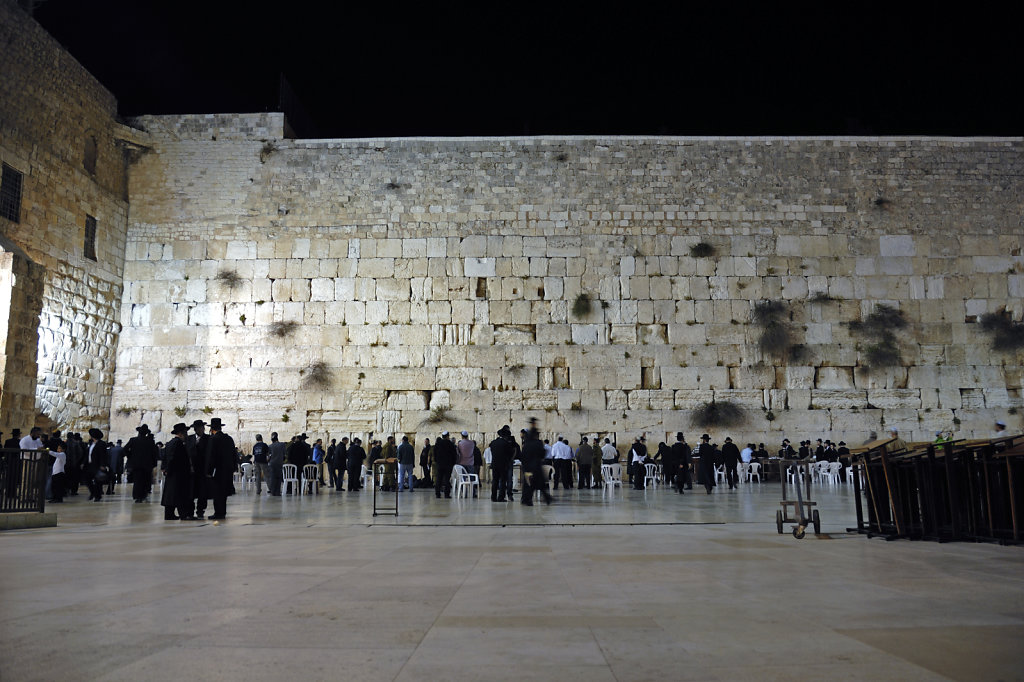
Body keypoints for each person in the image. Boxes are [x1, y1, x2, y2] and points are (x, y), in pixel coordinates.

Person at [160, 423, 193, 520]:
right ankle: (183, 514)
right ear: (181, 433)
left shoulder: (170, 442)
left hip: (172, 473)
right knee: (179, 494)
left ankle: (169, 514)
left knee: (171, 494)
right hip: (177, 473)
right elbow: (172, 458)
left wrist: (165, 468)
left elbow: (165, 457)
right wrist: (169, 469)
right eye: (185, 432)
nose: (187, 434)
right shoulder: (177, 443)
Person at [205, 418, 236, 520]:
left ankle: (218, 513)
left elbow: (211, 456)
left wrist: (208, 470)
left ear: (212, 429)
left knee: (217, 492)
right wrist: (233, 467)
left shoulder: (213, 439)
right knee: (224, 493)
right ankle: (222, 512)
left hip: (217, 470)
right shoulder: (229, 439)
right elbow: (234, 455)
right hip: (227, 470)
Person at [520, 419, 551, 506]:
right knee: (539, 484)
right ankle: (546, 498)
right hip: (536, 467)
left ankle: (527, 499)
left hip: (527, 467)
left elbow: (523, 456)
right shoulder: (538, 443)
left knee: (529, 484)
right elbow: (542, 454)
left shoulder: (525, 444)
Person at [125, 424, 159, 503]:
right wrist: (154, 463)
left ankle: (137, 497)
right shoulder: (150, 441)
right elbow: (154, 453)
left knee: (137, 481)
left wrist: (130, 456)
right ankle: (144, 495)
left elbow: (125, 449)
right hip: (147, 464)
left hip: (136, 464)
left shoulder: (133, 440)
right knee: (146, 480)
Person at [187, 420, 210, 518]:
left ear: (203, 428)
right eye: (196, 428)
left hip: (202, 470)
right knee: (190, 491)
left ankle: (200, 510)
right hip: (191, 470)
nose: (198, 430)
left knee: (202, 492)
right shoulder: (189, 439)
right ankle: (190, 511)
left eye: (200, 428)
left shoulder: (208, 439)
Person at [489, 427, 513, 501]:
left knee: (495, 481)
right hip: (503, 465)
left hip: (495, 465)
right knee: (502, 481)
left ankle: (493, 497)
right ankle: (501, 497)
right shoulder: (506, 443)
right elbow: (510, 454)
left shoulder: (493, 443)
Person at [85, 428, 109, 501]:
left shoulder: (101, 444)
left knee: (98, 481)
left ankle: (97, 496)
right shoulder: (92, 444)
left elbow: (103, 455)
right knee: (87, 480)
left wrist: (102, 465)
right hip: (90, 465)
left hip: (97, 465)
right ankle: (93, 493)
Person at [433, 431, 457, 499]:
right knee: (447, 479)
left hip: (440, 464)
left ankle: (437, 494)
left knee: (439, 479)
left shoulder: (438, 444)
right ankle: (447, 494)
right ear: (447, 436)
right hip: (448, 465)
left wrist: (437, 461)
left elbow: (435, 453)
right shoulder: (450, 444)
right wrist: (453, 463)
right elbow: (454, 454)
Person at [46, 438, 67, 503]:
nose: (58, 450)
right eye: (58, 448)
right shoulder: (60, 455)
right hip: (55, 473)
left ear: (63, 449)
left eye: (60, 448)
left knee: (58, 487)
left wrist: (47, 450)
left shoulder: (62, 454)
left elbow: (54, 453)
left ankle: (59, 498)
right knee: (54, 487)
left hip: (59, 473)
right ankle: (55, 498)